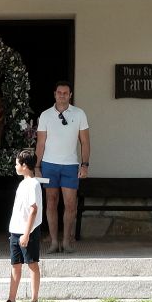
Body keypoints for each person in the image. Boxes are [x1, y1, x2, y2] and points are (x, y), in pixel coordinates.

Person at [35, 80, 91, 254]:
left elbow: (85, 142)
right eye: (59, 92)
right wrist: (36, 166)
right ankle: (53, 241)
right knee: (51, 202)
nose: (62, 95)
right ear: (54, 94)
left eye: (65, 93)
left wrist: (85, 164)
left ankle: (66, 241)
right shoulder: (45, 115)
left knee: (70, 204)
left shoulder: (79, 114)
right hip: (49, 164)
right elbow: (40, 143)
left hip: (70, 165)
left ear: (70, 95)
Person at [2, 148, 45, 302]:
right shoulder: (22, 184)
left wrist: (26, 234)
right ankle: (11, 300)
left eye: (17, 164)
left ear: (25, 165)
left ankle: (34, 300)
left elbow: (33, 210)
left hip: (28, 231)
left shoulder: (33, 184)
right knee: (15, 265)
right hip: (16, 230)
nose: (15, 166)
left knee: (32, 264)